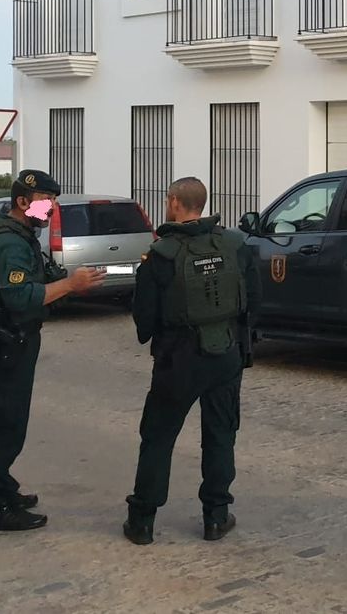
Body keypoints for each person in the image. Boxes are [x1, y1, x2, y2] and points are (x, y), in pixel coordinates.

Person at [124, 177, 258, 545]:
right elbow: (253, 301)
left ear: (173, 203)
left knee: (158, 438)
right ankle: (215, 517)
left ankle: (142, 522)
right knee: (220, 436)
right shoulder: (235, 245)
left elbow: (144, 318)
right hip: (226, 353)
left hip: (178, 358)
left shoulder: (161, 254)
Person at [0, 169, 103, 531]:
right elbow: (21, 296)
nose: (51, 211)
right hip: (7, 340)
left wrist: (69, 282)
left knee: (10, 421)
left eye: (54, 203)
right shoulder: (10, 243)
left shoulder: (17, 234)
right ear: (23, 202)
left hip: (13, 338)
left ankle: (2, 488)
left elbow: (36, 280)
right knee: (4, 424)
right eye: (47, 203)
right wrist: (70, 286)